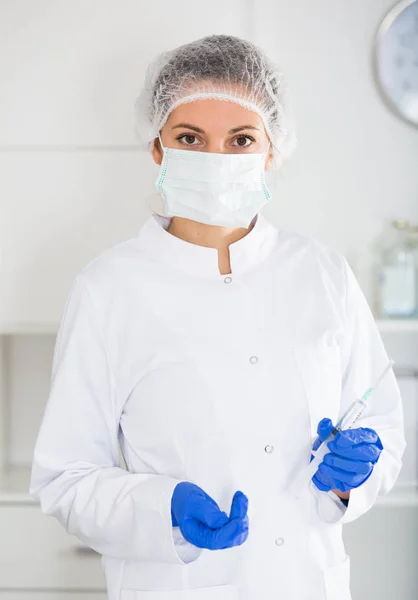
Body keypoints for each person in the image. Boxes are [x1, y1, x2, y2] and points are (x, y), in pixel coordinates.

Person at [29, 34, 405, 600]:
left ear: (271, 150)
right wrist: (163, 511)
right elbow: (65, 479)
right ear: (157, 147)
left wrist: (358, 477)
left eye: (241, 139)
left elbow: (383, 430)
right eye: (189, 138)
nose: (215, 160)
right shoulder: (110, 289)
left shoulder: (323, 273)